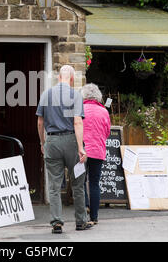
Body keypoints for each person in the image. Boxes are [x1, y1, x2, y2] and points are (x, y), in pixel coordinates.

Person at [36, 65, 92, 234]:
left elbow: (40, 122)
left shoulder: (46, 94)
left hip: (52, 140)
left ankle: (56, 222)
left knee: (53, 185)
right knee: (78, 183)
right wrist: (81, 148)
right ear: (72, 79)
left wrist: (42, 142)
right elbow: (77, 122)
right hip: (71, 141)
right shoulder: (75, 95)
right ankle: (81, 221)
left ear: (59, 77)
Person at [81, 83, 111, 224]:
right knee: (94, 183)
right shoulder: (104, 111)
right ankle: (94, 217)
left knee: (80, 182)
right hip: (98, 150)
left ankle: (85, 206)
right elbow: (107, 132)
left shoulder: (80, 109)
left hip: (82, 150)